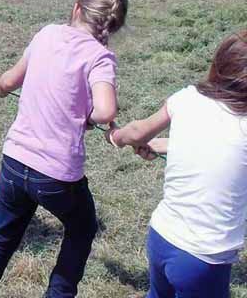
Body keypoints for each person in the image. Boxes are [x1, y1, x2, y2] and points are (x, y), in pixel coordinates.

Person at [0, 0, 128, 298]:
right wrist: (88, 114)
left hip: (15, 161)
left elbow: (9, 80)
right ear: (113, 25)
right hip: (56, 175)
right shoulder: (99, 57)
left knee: (3, 232)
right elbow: (106, 110)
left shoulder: (47, 34)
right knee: (83, 228)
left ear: (77, 8)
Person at [106, 30, 247, 298]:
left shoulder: (189, 97)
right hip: (203, 257)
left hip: (161, 236)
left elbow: (137, 132)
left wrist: (116, 136)